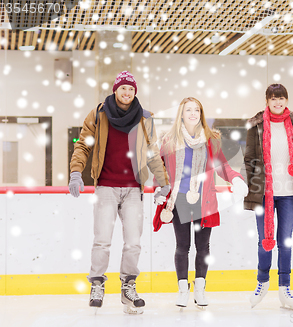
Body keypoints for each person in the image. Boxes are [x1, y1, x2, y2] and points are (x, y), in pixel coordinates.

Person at [68, 71, 171, 314]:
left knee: (133, 242)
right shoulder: (99, 114)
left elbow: (152, 153)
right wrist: (75, 171)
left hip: (134, 188)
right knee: (102, 240)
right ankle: (97, 284)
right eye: (123, 88)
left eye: (131, 89)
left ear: (135, 92)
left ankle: (128, 286)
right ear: (115, 89)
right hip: (106, 186)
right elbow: (83, 144)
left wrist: (163, 181)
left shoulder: (145, 118)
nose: (127, 93)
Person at [154, 97, 248, 308]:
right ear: (181, 113)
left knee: (203, 246)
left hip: (203, 201)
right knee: (182, 246)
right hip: (178, 201)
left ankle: (200, 289)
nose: (193, 113)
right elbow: (159, 170)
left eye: (197, 110)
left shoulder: (211, 139)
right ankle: (182, 290)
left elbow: (222, 166)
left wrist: (235, 178)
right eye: (189, 110)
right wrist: (158, 188)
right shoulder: (169, 140)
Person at [243, 84, 293, 310]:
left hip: (289, 194)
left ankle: (285, 288)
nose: (278, 102)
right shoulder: (257, 126)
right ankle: (262, 282)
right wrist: (248, 186)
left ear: (286, 100)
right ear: (267, 101)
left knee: (285, 242)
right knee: (264, 241)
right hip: (263, 193)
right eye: (273, 99)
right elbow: (249, 157)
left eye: (281, 98)